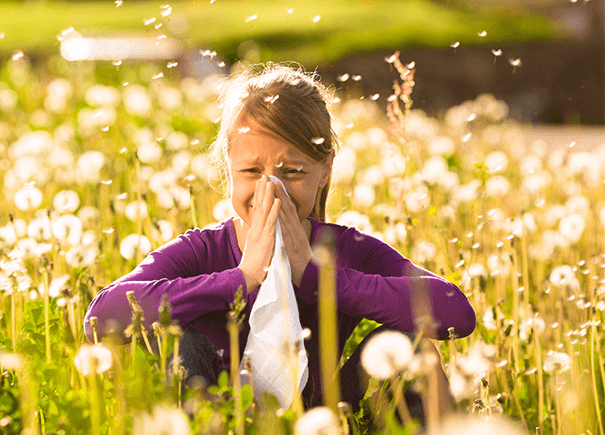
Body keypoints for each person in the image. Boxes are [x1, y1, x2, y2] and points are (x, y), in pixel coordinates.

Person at [84, 63, 476, 417]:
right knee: (178, 342)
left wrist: (319, 277)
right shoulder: (204, 249)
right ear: (229, 170)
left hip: (323, 418)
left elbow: (456, 314)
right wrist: (242, 278)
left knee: (411, 346)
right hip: (215, 416)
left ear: (325, 171)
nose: (271, 190)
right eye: (252, 170)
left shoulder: (346, 250)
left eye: (292, 172)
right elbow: (101, 317)